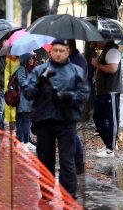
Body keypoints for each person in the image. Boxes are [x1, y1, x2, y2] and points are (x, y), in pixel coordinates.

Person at [23, 39, 89, 201]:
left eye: (62, 50)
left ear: (67, 52)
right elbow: (27, 92)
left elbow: (84, 93)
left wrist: (68, 96)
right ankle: (46, 193)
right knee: (45, 160)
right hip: (44, 121)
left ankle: (69, 195)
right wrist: (39, 83)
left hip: (67, 122)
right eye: (56, 50)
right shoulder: (40, 70)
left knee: (67, 160)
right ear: (50, 52)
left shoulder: (76, 71)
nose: (58, 53)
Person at [91, 41, 122, 158]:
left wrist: (97, 64)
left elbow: (113, 68)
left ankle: (111, 148)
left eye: (97, 40)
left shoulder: (112, 51)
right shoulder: (105, 51)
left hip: (110, 91)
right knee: (97, 117)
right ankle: (109, 143)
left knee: (112, 119)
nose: (95, 42)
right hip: (103, 91)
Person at [68, 39, 90, 174]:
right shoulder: (72, 58)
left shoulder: (78, 60)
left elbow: (78, 81)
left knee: (71, 132)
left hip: (75, 100)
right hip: (70, 100)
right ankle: (77, 162)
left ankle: (79, 163)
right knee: (71, 132)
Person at [16, 53, 35, 146]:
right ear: (25, 59)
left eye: (32, 58)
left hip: (30, 99)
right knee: (25, 120)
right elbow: (22, 82)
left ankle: (22, 141)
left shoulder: (32, 69)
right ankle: (25, 142)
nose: (32, 60)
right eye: (30, 58)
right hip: (25, 99)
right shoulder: (22, 69)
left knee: (24, 120)